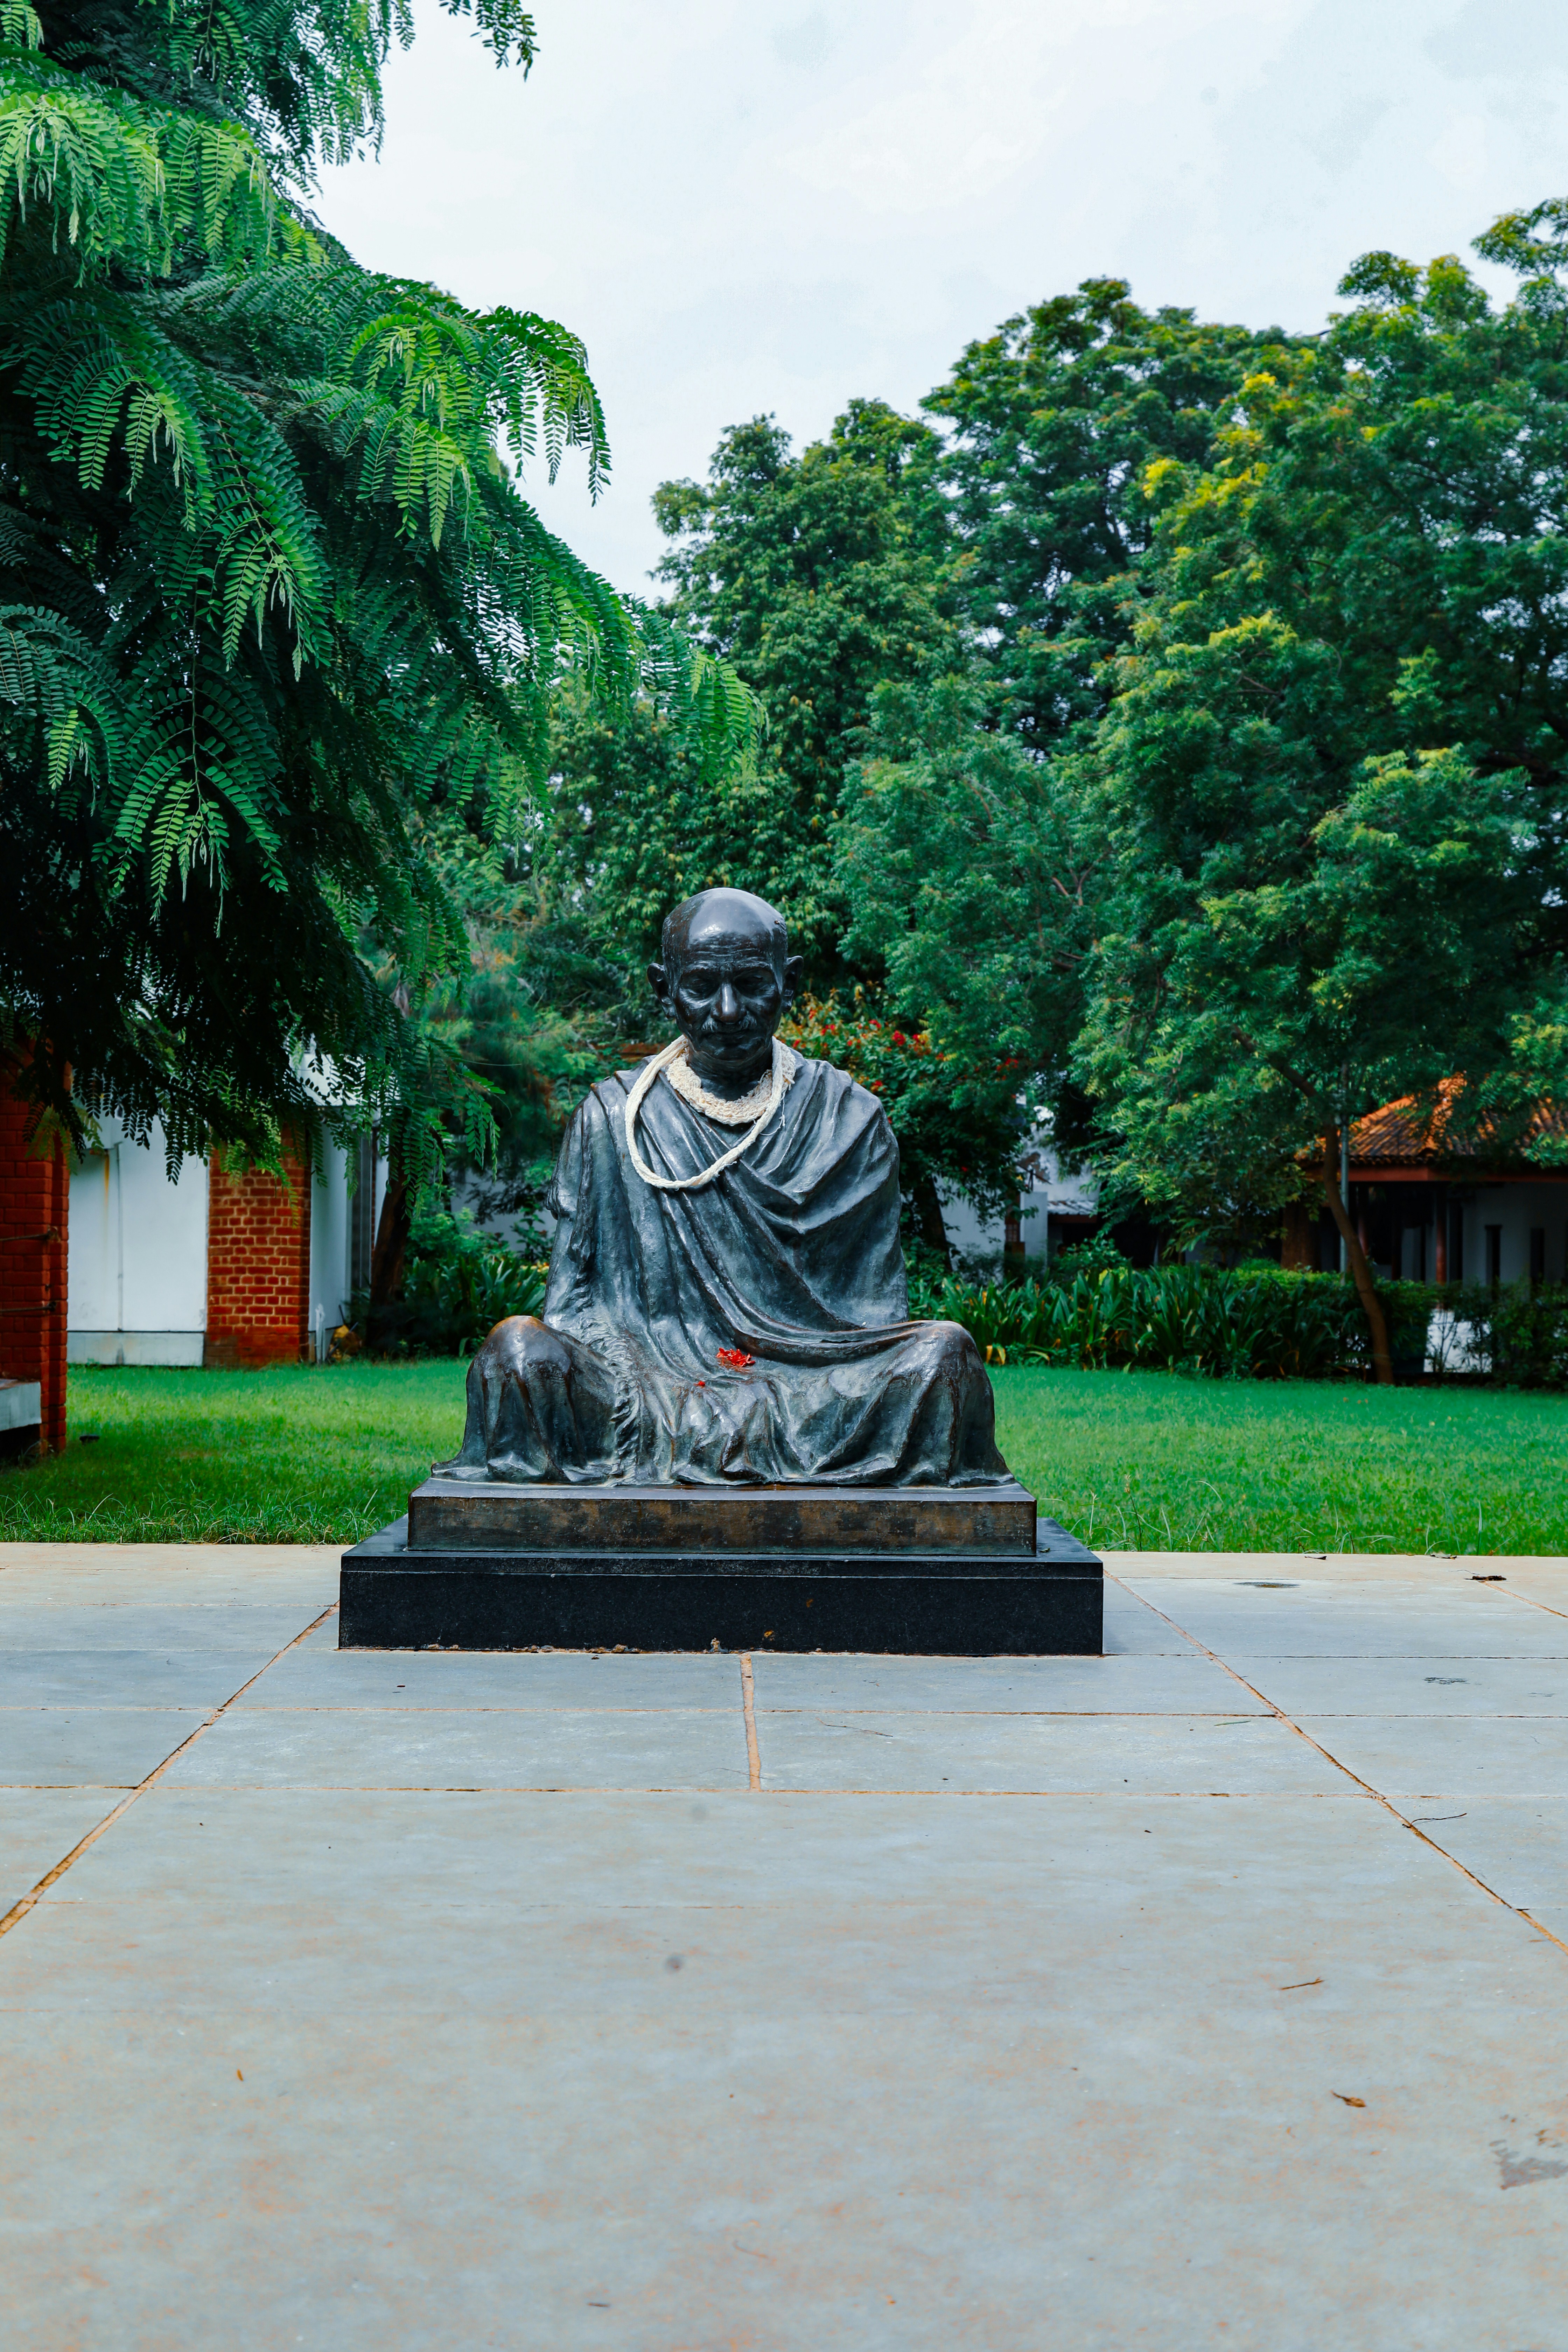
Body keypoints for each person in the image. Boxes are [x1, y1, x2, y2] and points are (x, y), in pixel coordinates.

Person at [436, 887, 1013, 1487]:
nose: (730, 1010)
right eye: (702, 986)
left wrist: (765, 1381)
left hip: (813, 1384)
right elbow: (571, 1309)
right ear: (664, 990)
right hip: (648, 1379)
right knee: (518, 1352)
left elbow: (872, 1316)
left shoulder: (848, 1119)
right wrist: (653, 1375)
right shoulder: (613, 1119)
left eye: (753, 984)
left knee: (944, 1356)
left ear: (789, 983)